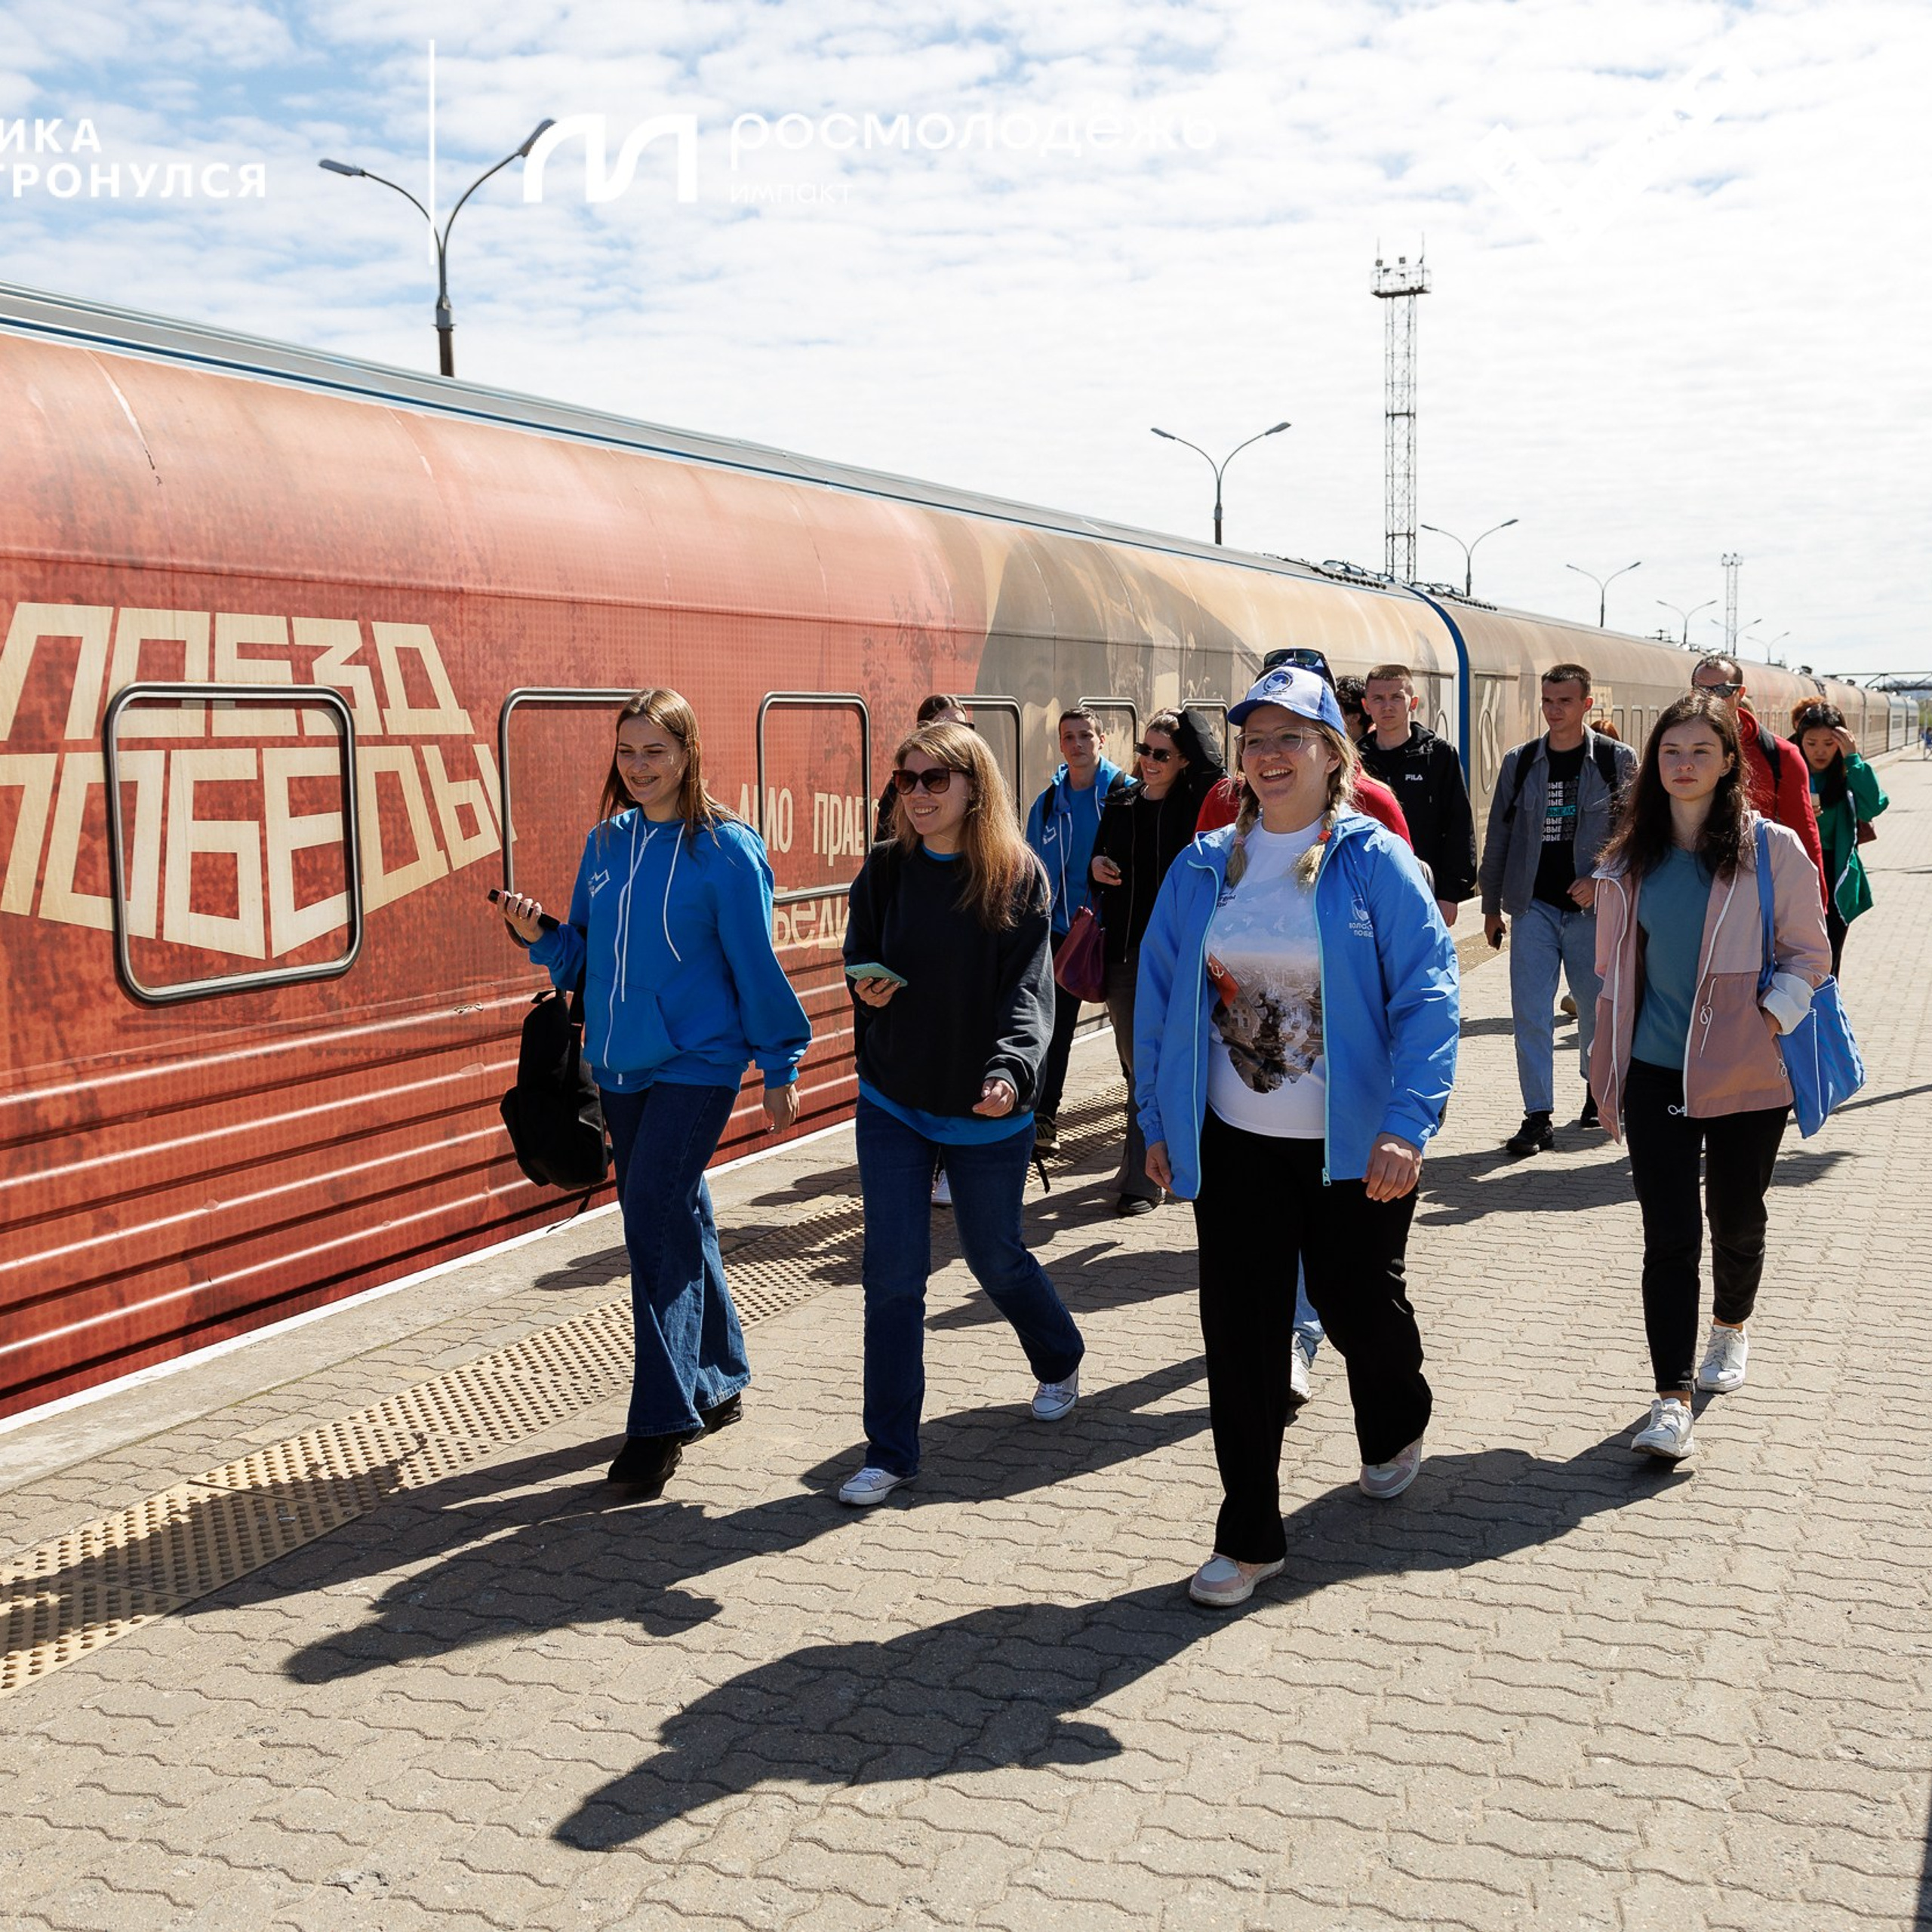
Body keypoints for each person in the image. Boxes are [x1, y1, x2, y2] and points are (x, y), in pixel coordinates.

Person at [1135, 666, 1458, 1608]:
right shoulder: (1203, 867)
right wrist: (1157, 1121)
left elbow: (1429, 997)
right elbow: (1160, 1003)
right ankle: (1247, 1534)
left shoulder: (1372, 861)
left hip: (1353, 1146)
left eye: (1291, 739)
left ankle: (1398, 1413)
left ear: (1331, 755)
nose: (1269, 757)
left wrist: (1408, 1123)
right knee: (1239, 1340)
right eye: (1255, 741)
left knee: (1361, 1313)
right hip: (1237, 1142)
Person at [500, 690, 811, 1499]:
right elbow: (584, 961)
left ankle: (661, 1418)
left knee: (651, 1223)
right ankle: (722, 1372)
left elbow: (754, 964)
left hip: (698, 1065)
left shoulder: (725, 851)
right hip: (620, 1067)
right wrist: (544, 936)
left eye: (655, 752)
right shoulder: (605, 843)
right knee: (680, 1214)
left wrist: (779, 1064)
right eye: (627, 752)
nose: (638, 768)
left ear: (688, 752)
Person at [836, 721, 1087, 1506]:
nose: (915, 794)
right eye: (905, 780)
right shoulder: (881, 872)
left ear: (974, 786)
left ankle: (1058, 1353)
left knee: (995, 1257)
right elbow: (860, 959)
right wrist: (865, 989)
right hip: (893, 1097)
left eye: (933, 780)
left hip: (987, 1102)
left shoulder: (1018, 876)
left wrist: (1012, 1072)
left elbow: (1027, 992)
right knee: (892, 1279)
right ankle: (891, 1451)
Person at [1589, 694, 1830, 1463]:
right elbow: (1611, 975)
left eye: (1700, 750)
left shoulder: (1774, 849)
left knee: (1735, 1216)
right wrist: (1606, 1059)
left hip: (1745, 1071)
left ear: (1729, 763)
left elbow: (1807, 953)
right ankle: (1670, 1398)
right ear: (1651, 763)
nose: (1682, 764)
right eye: (1670, 751)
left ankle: (1731, 1323)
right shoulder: (1629, 858)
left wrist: (1765, 1019)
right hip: (1656, 1069)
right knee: (1668, 1236)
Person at [1480, 663, 1637, 1153]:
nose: (1554, 710)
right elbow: (1500, 835)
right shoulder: (1521, 762)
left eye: (1565, 701)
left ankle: (1597, 1091)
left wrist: (1601, 879)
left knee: (1595, 1009)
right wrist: (1490, 905)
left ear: (1587, 704)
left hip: (1594, 912)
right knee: (1530, 1012)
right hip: (1533, 909)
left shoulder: (1616, 761)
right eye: (1548, 701)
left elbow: (1636, 836)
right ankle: (1537, 1116)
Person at [1089, 708, 1224, 1214]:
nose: (1148, 761)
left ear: (1183, 759)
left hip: (1183, 956)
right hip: (1127, 956)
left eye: (1161, 754)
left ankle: (1142, 1180)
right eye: (1143, 751)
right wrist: (1095, 865)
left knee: (1172, 1060)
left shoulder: (1197, 803)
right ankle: (1153, 1161)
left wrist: (1186, 716)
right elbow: (1098, 860)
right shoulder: (1122, 801)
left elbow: (1215, 771)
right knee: (1137, 1063)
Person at [1023, 708, 1128, 1154]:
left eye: (1087, 735)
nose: (1079, 743)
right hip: (1064, 932)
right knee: (1055, 1028)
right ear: (1061, 746)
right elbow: (1029, 871)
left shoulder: (1125, 795)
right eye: (1070, 737)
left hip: (1119, 931)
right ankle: (1045, 1117)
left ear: (1102, 741)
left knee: (1129, 1028)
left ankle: (1140, 1109)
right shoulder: (1048, 804)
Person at [1688, 656, 1826, 907]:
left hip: (1751, 892)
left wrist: (1815, 903)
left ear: (1740, 694)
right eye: (1701, 690)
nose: (1709, 699)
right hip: (1687, 888)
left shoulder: (1781, 756)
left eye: (1721, 691)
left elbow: (1804, 835)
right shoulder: (1672, 750)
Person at [1357, 663, 1478, 925]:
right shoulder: (1355, 760)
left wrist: (1450, 893)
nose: (1387, 706)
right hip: (1366, 890)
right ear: (1367, 706)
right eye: (1378, 699)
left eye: (1396, 697)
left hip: (1425, 887)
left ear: (1412, 703)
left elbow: (1458, 825)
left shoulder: (1439, 755)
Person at [1793, 703, 1888, 975]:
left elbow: (1873, 806)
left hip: (1836, 874)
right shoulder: (1790, 772)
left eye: (1829, 743)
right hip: (1796, 869)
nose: (1820, 751)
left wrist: (1853, 759)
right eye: (1811, 743)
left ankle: (1827, 1014)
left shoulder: (1849, 776)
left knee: (1829, 956)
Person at [874, 694, 969, 842]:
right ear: (923, 732)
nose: (955, 735)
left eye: (963, 727)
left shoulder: (982, 777)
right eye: (944, 728)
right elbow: (884, 850)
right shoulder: (900, 786)